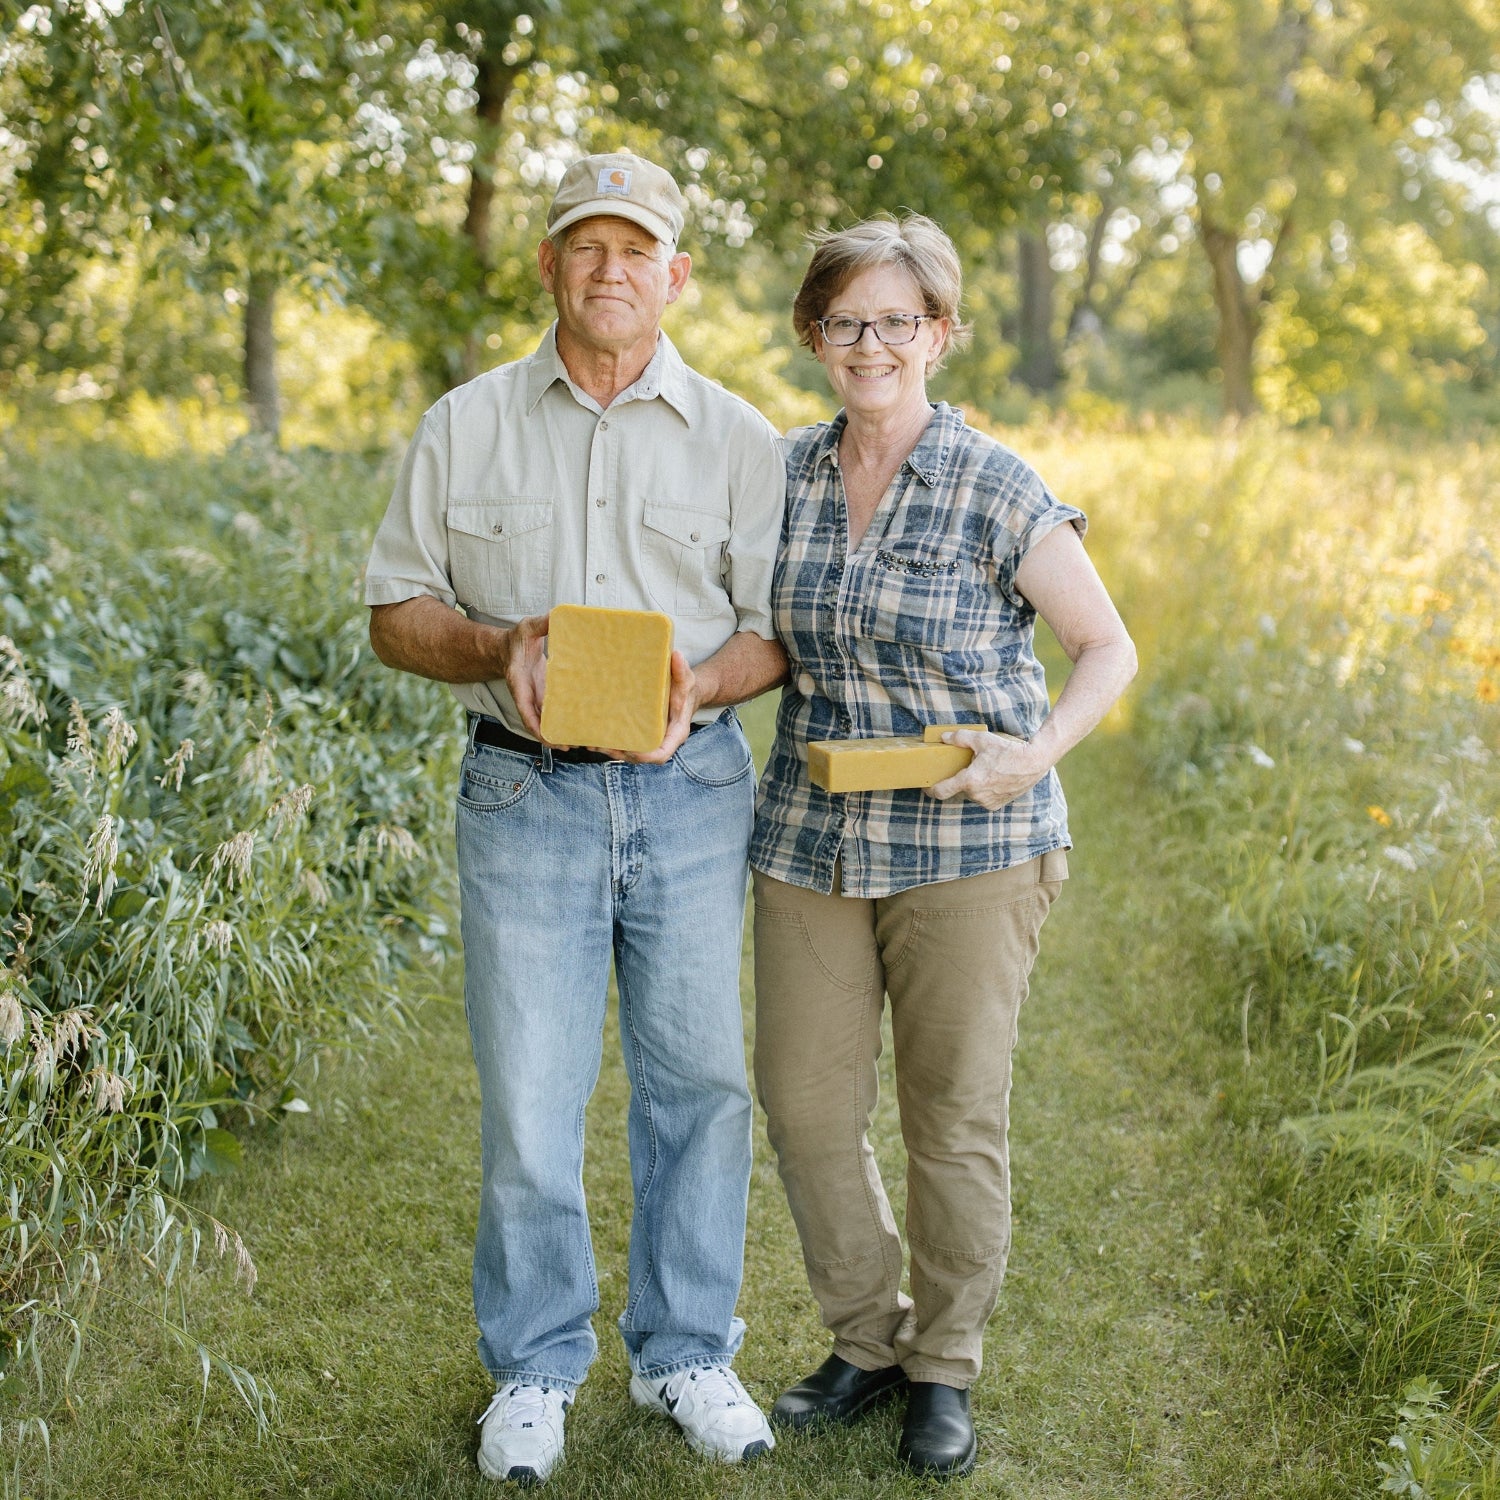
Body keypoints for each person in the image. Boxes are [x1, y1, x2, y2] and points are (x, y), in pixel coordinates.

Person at [364, 151, 787, 1486]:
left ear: (677, 275)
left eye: (636, 248)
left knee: (700, 1083)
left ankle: (685, 1352)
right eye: (584, 245)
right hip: (521, 791)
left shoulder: (740, 439)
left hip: (694, 790)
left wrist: (698, 685)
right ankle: (537, 1367)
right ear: (550, 266)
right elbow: (394, 615)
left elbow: (778, 632)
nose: (610, 269)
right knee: (532, 1099)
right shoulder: (464, 424)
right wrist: (501, 648)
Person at [749, 215, 1137, 1480]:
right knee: (806, 1107)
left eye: (897, 322)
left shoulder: (994, 482)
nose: (871, 344)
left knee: (951, 1115)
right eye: (846, 322)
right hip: (811, 833)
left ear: (940, 334)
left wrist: (1041, 748)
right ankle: (866, 1338)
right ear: (816, 336)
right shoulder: (787, 474)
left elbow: (1107, 648)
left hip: (971, 840)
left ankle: (945, 1366)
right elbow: (754, 631)